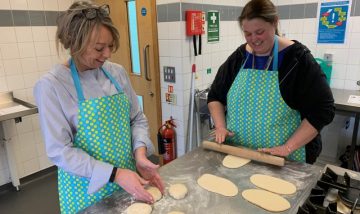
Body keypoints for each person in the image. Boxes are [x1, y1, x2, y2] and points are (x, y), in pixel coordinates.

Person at [33, 1, 164, 213]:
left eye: (110, 46)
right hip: (86, 190)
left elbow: (136, 118)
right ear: (74, 43)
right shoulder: (52, 85)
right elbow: (60, 151)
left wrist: (139, 154)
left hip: (129, 179)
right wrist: (114, 174)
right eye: (99, 48)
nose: (107, 54)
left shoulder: (117, 73)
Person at [207, 0, 335, 164]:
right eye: (247, 33)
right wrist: (220, 126)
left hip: (284, 161)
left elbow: (323, 109)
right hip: (237, 153)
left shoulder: (297, 59)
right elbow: (215, 96)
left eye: (259, 32)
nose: (254, 39)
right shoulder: (239, 57)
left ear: (274, 23)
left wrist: (287, 147)